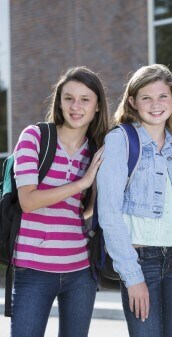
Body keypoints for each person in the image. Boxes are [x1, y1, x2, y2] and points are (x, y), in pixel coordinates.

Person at [97, 64, 172, 337]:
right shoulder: (121, 140)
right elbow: (109, 213)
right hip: (142, 260)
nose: (156, 105)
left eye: (163, 96)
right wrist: (132, 275)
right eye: (146, 97)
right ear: (132, 101)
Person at [10, 66, 109, 336]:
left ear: (97, 106)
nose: (76, 106)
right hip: (33, 269)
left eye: (85, 99)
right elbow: (28, 201)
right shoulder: (35, 137)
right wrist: (81, 183)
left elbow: (86, 211)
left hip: (80, 271)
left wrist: (97, 184)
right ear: (60, 101)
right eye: (69, 98)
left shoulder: (96, 151)